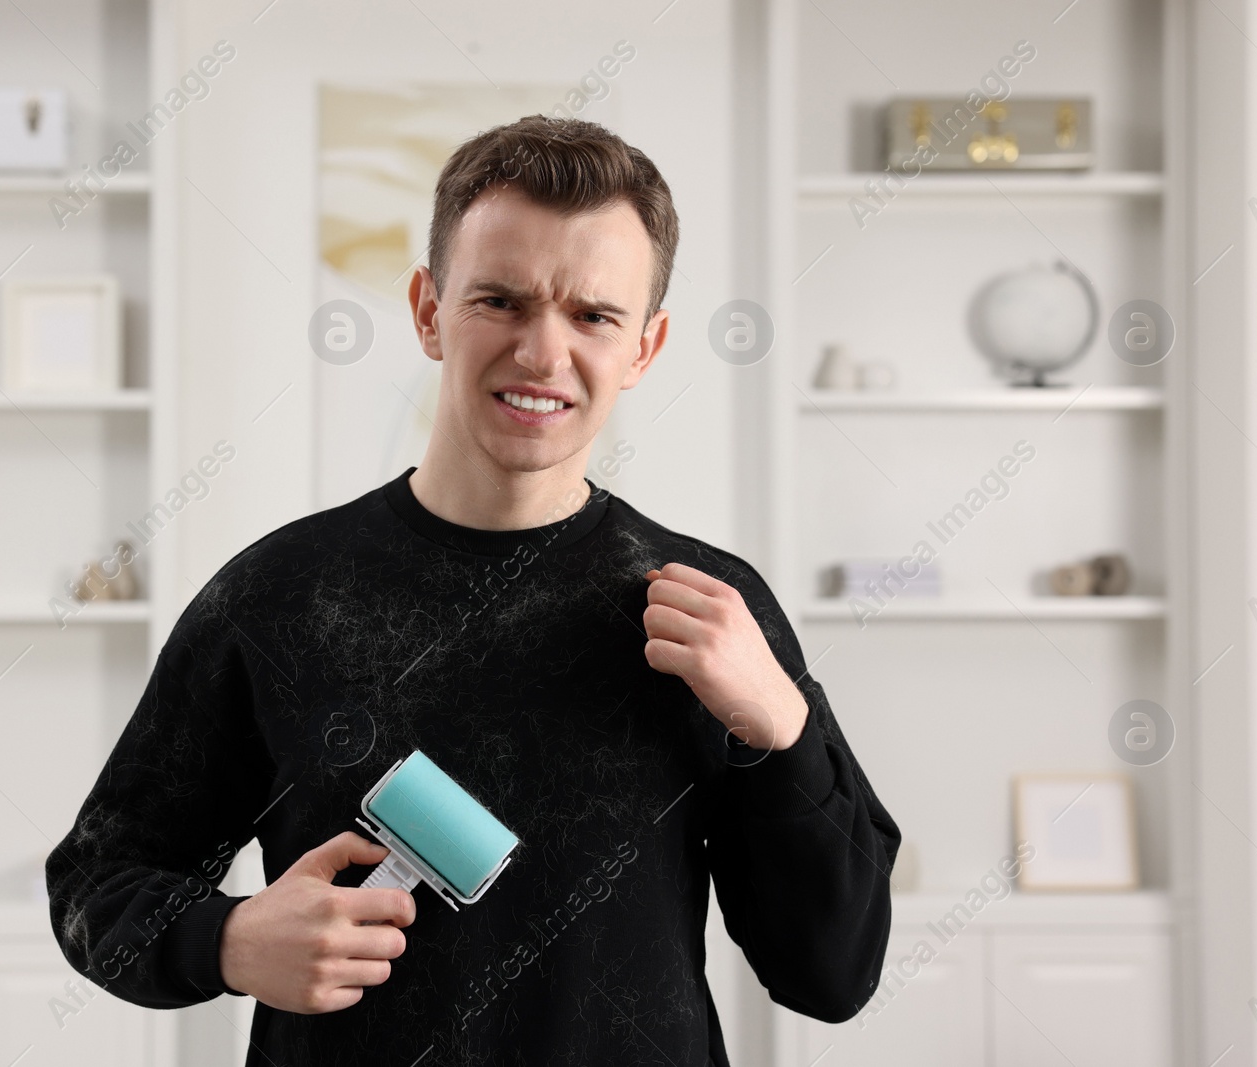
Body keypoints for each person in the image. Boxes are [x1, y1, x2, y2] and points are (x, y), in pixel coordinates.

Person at [47, 114, 900, 1066]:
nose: (543, 353)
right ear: (427, 310)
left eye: (593, 315)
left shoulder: (710, 609)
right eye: (500, 300)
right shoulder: (277, 597)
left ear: (646, 347)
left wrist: (780, 729)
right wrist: (230, 940)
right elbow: (95, 882)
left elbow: (833, 974)